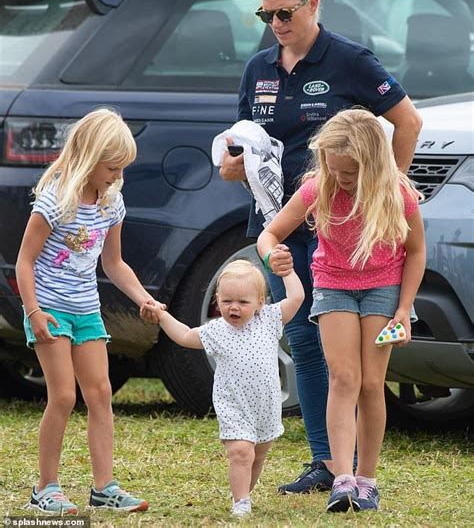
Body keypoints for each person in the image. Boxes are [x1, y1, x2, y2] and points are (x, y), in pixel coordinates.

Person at [219, 0, 423, 494]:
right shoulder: (259, 67)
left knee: (354, 361)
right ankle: (328, 463)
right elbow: (243, 138)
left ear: (313, 4)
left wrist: (388, 192)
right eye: (267, 14)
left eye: (285, 12)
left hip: (343, 223)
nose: (276, 23)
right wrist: (231, 165)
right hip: (279, 219)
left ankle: (353, 468)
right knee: (306, 342)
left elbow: (408, 120)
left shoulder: (350, 59)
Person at [257, 108, 426, 512]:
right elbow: (271, 233)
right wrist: (272, 256)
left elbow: (416, 251)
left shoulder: (397, 193)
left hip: (382, 288)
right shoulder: (319, 187)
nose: (341, 180)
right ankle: (342, 477)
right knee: (343, 377)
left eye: (349, 174)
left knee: (371, 384)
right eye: (334, 171)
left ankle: (367, 479)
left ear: (372, 165)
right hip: (333, 285)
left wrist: (404, 308)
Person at [16, 108, 164, 514]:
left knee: (99, 394)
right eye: (112, 167)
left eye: (121, 169)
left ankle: (105, 488)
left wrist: (143, 299)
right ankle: (45, 487)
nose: (117, 176)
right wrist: (33, 312)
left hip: (86, 311)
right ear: (88, 156)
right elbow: (24, 262)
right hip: (50, 310)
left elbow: (113, 264)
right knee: (63, 395)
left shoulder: (110, 203)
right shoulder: (54, 202)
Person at [141, 258, 304, 516]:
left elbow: (296, 298)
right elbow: (184, 335)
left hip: (266, 405)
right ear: (217, 299)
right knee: (241, 452)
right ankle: (241, 503)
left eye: (243, 302)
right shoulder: (217, 331)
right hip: (234, 406)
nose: (234, 308)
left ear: (260, 302)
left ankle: (244, 494)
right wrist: (162, 315)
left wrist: (287, 272)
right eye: (227, 301)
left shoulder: (269, 319)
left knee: (257, 454)